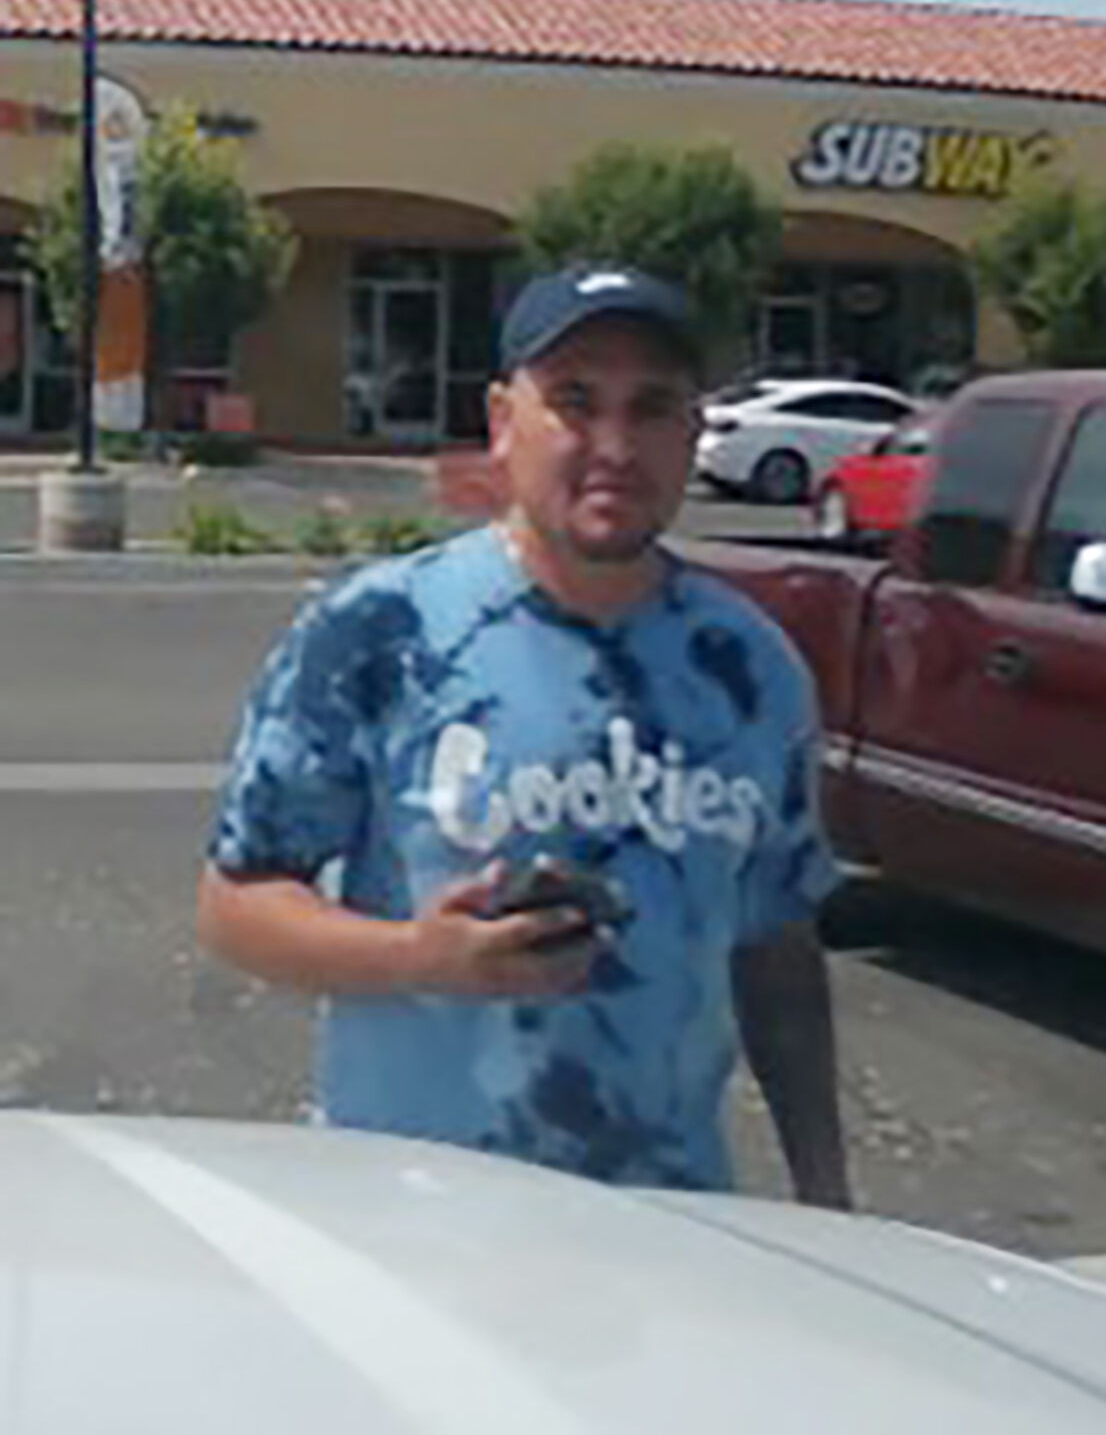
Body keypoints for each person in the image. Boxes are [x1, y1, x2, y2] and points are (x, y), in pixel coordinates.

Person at [196, 265, 850, 1207]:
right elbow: (234, 904)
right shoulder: (383, 630)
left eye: (651, 407)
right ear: (504, 421)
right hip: (408, 1213)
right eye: (575, 401)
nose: (614, 446)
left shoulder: (749, 668)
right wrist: (420, 957)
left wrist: (825, 1194)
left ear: (692, 431)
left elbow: (776, 946)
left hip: (665, 1222)